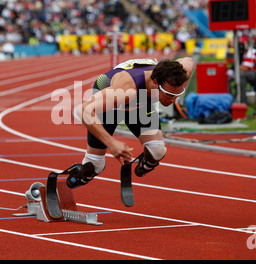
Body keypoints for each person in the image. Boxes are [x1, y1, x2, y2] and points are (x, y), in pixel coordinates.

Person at [67, 57, 194, 188]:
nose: (173, 100)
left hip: (140, 103)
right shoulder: (126, 90)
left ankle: (145, 162)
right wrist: (112, 143)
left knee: (157, 151)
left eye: (177, 95)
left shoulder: (180, 76)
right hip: (112, 105)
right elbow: (84, 110)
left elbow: (189, 60)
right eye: (169, 94)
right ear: (155, 83)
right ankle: (73, 177)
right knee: (94, 166)